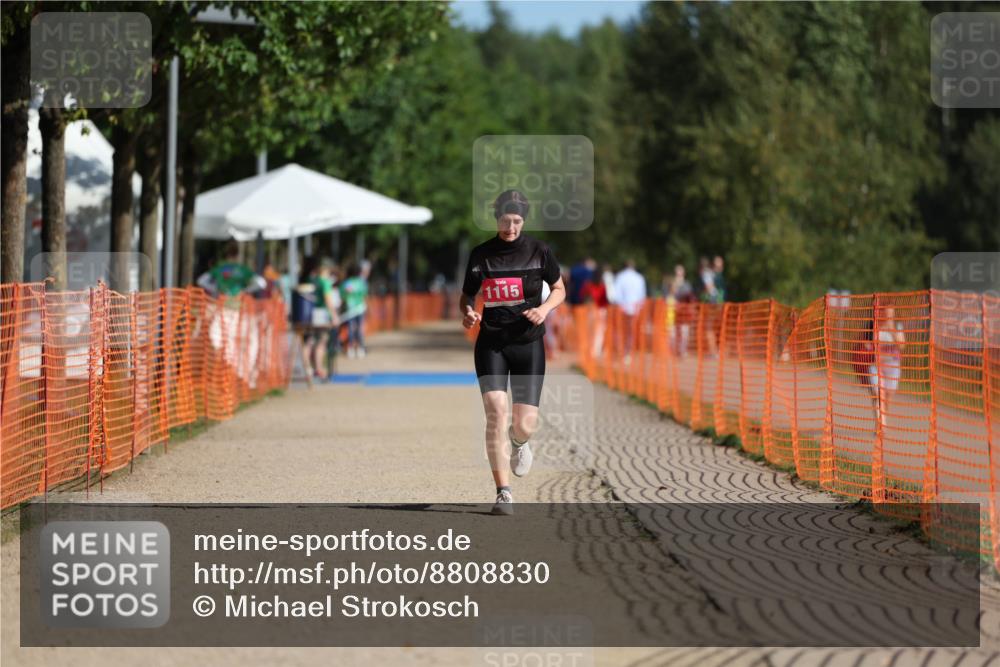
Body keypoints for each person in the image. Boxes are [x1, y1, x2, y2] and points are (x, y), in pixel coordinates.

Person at [460, 190, 566, 515]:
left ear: (524, 220)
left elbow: (560, 289)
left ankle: (519, 443)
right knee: (495, 412)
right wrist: (468, 313)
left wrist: (545, 308)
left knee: (525, 424)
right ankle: (502, 492)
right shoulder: (481, 255)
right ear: (497, 218)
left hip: (528, 343)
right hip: (491, 343)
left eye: (517, 221)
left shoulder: (539, 251)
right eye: (506, 220)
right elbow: (466, 296)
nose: (511, 227)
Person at [868, 306, 905, 429]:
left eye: (891, 314)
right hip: (876, 365)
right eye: (886, 313)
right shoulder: (875, 325)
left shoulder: (897, 326)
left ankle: (882, 417)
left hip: (893, 366)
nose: (888, 316)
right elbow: (872, 343)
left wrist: (891, 330)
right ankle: (880, 424)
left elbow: (901, 346)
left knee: (887, 396)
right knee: (878, 394)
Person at [196, 240, 265, 298]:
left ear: (227, 254)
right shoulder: (244, 269)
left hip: (220, 301)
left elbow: (200, 281)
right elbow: (262, 283)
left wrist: (215, 289)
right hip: (237, 303)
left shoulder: (219, 268)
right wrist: (246, 290)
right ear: (237, 255)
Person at [310, 258, 341, 381]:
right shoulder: (325, 283)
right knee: (321, 342)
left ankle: (310, 368)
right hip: (322, 314)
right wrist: (334, 316)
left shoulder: (314, 280)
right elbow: (328, 300)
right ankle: (319, 369)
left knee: (311, 342)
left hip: (312, 313)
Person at [613, 259, 647, 360]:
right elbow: (642, 295)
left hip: (623, 308)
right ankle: (627, 352)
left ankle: (623, 351)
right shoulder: (639, 278)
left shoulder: (620, 277)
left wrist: (620, 305)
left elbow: (616, 294)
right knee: (631, 332)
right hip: (635, 309)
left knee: (622, 331)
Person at [339, 263, 369, 358]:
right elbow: (365, 294)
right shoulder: (361, 282)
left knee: (351, 329)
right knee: (359, 328)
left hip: (350, 308)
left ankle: (351, 349)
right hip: (360, 308)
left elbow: (342, 295)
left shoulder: (347, 283)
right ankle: (360, 348)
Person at [665, 264, 694, 356]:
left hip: (684, 312)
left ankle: (682, 350)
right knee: (672, 333)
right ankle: (672, 350)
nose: (679, 274)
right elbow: (669, 296)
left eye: (680, 272)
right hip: (673, 312)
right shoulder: (672, 284)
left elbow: (690, 298)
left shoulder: (687, 284)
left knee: (684, 332)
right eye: (677, 272)